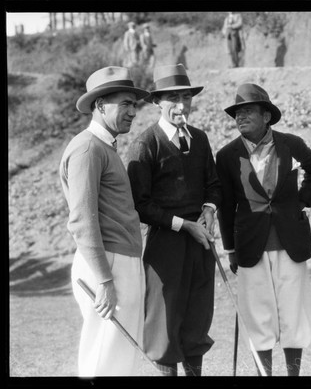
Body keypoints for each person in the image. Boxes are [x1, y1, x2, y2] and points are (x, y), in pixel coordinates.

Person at [216, 83, 311, 376]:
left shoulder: (290, 143)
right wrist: (230, 249)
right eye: (237, 113)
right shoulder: (227, 155)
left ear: (267, 116)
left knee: (293, 314)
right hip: (249, 246)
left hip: (291, 242)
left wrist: (302, 202)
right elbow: (226, 206)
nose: (241, 117)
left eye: (248, 111)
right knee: (257, 317)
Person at [126, 63, 222, 376]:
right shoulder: (145, 144)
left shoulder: (201, 138)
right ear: (157, 102)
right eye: (172, 98)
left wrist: (209, 209)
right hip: (165, 246)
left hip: (200, 244)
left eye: (186, 97)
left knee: (196, 321)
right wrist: (185, 225)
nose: (181, 105)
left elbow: (213, 183)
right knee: (164, 326)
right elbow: (140, 205)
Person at [59, 66, 150, 376]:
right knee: (104, 359)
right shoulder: (87, 148)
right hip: (107, 265)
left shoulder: (104, 147)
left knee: (121, 359)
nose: (132, 112)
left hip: (119, 261)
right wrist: (105, 280)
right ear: (100, 106)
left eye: (134, 105)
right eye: (124, 103)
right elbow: (82, 221)